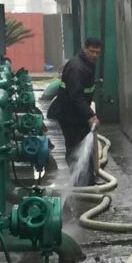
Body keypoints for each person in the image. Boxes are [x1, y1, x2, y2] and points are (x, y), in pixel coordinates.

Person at [47, 37, 102, 185]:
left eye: (97, 53)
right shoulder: (77, 68)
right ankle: (79, 182)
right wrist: (90, 115)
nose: (94, 55)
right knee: (74, 148)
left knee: (85, 147)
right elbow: (76, 96)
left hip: (77, 114)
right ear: (85, 48)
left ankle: (86, 181)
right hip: (69, 115)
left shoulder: (87, 64)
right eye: (92, 51)